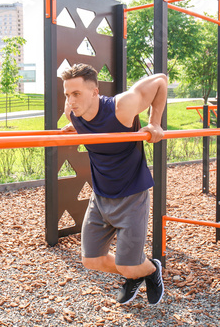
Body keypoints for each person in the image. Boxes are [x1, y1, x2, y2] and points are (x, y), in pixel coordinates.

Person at [60, 63, 167, 305]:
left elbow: (160, 79)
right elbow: (80, 120)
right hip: (100, 196)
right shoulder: (72, 113)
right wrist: (75, 127)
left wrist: (156, 122)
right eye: (67, 94)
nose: (71, 101)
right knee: (91, 260)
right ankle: (138, 271)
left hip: (131, 195)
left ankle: (148, 270)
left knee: (128, 265)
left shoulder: (122, 107)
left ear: (95, 91)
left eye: (77, 94)